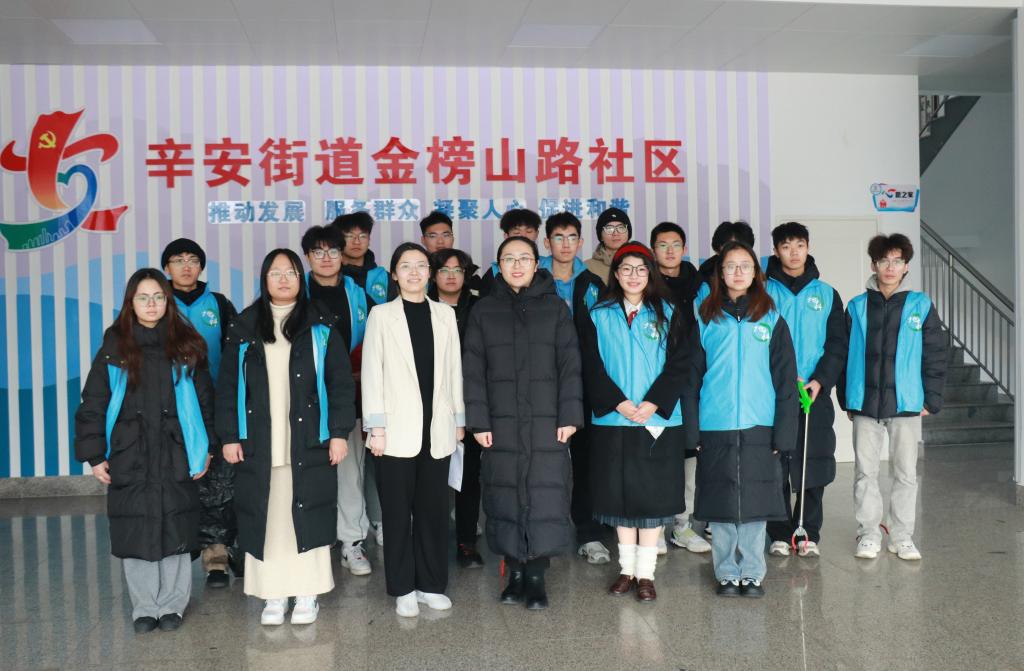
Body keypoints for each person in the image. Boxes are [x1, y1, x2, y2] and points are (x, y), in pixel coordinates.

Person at [216, 249, 355, 626]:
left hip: (309, 440)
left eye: (290, 272)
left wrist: (339, 433)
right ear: (264, 279)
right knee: (267, 518)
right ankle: (273, 596)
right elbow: (227, 388)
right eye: (275, 273)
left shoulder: (320, 325)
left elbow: (340, 385)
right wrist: (229, 436)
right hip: (259, 442)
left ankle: (308, 594)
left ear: (300, 279)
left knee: (309, 514)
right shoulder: (244, 328)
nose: (283, 279)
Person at [75, 268, 214, 633]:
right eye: (143, 297)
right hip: (129, 454)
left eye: (158, 297)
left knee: (176, 524)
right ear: (130, 304)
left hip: (177, 450)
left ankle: (172, 605)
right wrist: (95, 455)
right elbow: (93, 403)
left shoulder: (187, 345)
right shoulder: (114, 348)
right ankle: (144, 607)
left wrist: (207, 447)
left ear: (167, 302)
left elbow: (206, 402)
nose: (151, 304)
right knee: (134, 527)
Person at [463, 236, 584, 610]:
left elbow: (570, 366)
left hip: (547, 421)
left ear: (536, 263)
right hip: (500, 422)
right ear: (498, 265)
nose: (517, 265)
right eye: (509, 259)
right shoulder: (484, 310)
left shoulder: (555, 308)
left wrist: (570, 416)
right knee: (504, 493)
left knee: (545, 493)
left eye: (524, 258)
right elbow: (472, 370)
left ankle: (536, 575)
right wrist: (478, 421)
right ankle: (514, 572)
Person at [683, 241, 798, 598]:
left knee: (755, 501)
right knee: (720, 503)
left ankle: (751, 572)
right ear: (720, 273)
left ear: (755, 273)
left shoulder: (771, 318)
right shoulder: (705, 317)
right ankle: (726, 573)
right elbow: (690, 378)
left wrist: (784, 434)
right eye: (730, 266)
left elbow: (785, 380)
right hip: (714, 423)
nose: (737, 272)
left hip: (759, 422)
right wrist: (692, 431)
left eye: (744, 266)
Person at [577, 242, 688, 603]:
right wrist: (619, 403)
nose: (634, 276)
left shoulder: (670, 312)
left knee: (652, 499)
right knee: (619, 497)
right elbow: (590, 364)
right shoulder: (599, 313)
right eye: (626, 269)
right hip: (614, 418)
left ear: (650, 274)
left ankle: (646, 575)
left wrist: (654, 401)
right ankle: (626, 570)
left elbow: (682, 363)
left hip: (656, 419)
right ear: (616, 274)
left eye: (641, 269)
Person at [361, 243, 466, 617]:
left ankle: (431, 584)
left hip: (437, 429)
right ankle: (403, 587)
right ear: (394, 274)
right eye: (406, 266)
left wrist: (458, 420)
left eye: (421, 265)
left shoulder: (445, 315)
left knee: (433, 512)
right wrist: (376, 427)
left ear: (430, 273)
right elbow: (372, 373)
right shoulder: (381, 315)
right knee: (396, 514)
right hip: (393, 433)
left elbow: (454, 371)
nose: (414, 272)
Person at [838, 233, 946, 561]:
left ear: (906, 266)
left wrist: (931, 398)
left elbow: (935, 354)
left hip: (906, 402)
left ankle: (901, 536)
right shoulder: (856, 306)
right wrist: (846, 398)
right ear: (873, 265)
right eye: (884, 260)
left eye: (897, 261)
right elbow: (843, 355)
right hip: (865, 402)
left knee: (905, 473)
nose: (890, 267)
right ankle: (869, 533)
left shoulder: (921, 305)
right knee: (865, 473)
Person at [764, 222, 848, 558]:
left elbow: (838, 344)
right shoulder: (761, 291)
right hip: (773, 393)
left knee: (814, 462)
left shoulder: (826, 294)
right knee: (776, 465)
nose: (794, 252)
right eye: (786, 246)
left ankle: (808, 531)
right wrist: (777, 380)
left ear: (808, 247)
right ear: (776, 251)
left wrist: (820, 380)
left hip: (814, 393)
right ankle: (779, 533)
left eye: (799, 245)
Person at [161, 238, 240, 588]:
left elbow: (238, 353)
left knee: (217, 483)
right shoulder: (156, 302)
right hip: (169, 408)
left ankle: (216, 557)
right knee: (176, 483)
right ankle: (172, 558)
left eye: (192, 259)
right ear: (167, 268)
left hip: (213, 406)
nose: (186, 266)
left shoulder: (219, 304)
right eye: (178, 260)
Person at [301, 225, 375, 576]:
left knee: (349, 472)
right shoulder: (293, 292)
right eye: (319, 252)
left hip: (348, 396)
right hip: (303, 399)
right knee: (307, 473)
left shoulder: (358, 295)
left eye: (333, 251)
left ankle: (351, 541)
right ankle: (312, 541)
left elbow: (375, 341)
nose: (327, 258)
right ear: (308, 257)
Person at [538, 212, 609, 565]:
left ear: (581, 243)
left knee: (586, 463)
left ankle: (588, 534)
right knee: (543, 465)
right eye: (558, 237)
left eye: (571, 238)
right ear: (546, 242)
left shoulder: (593, 283)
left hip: (583, 385)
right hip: (539, 385)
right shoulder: (532, 278)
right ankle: (541, 536)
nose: (565, 245)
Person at [649, 222, 709, 554]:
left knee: (690, 452)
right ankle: (656, 527)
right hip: (656, 380)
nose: (669, 251)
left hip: (693, 379)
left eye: (675, 245)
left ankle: (682, 526)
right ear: (653, 250)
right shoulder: (646, 284)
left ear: (684, 249)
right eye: (662, 245)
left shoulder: (701, 286)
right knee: (658, 453)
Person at [428, 248, 486, 568]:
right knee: (431, 477)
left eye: (458, 270)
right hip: (430, 402)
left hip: (470, 400)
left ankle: (466, 542)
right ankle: (432, 542)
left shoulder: (479, 308)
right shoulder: (421, 306)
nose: (451, 276)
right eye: (444, 270)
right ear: (433, 275)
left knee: (469, 476)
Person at [475, 209, 542, 297]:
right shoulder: (494, 272)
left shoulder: (548, 265)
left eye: (529, 231)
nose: (523, 237)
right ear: (506, 236)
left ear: (537, 234)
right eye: (517, 232)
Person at [333, 211, 394, 304]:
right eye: (350, 236)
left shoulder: (384, 277)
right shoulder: (330, 276)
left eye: (362, 236)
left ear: (369, 240)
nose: (357, 242)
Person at [585, 207, 631, 284]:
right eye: (609, 229)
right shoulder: (588, 267)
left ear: (628, 233)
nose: (616, 233)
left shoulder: (642, 262)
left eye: (621, 228)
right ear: (601, 236)